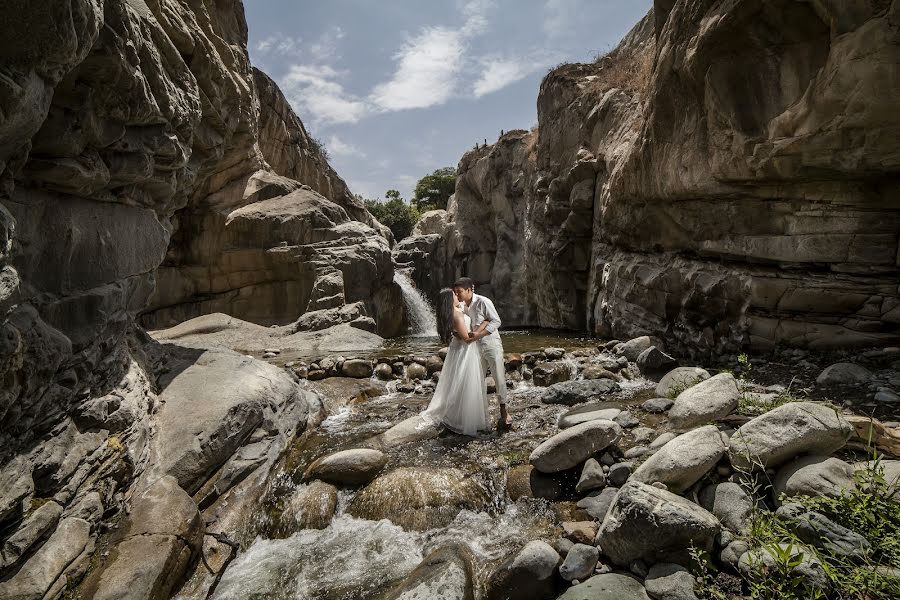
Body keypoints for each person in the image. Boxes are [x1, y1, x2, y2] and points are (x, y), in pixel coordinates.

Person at [421, 289, 490, 435]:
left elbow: (460, 331)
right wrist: (485, 325)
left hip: (456, 350)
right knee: (465, 384)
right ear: (449, 299)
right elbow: (467, 339)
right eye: (454, 295)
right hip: (464, 352)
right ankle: (461, 418)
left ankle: (460, 413)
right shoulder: (457, 314)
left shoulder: (453, 312)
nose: (457, 296)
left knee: (456, 382)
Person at [452, 277, 511, 428]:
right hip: (474, 349)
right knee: (477, 382)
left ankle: (504, 409)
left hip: (491, 345)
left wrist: (479, 334)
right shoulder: (461, 306)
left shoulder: (484, 301)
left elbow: (496, 321)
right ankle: (481, 415)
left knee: (499, 377)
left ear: (469, 290)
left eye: (459, 292)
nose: (457, 295)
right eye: (455, 293)